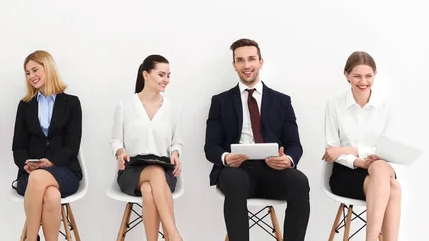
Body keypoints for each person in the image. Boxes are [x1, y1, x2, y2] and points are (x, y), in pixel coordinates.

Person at [204, 38, 310, 241]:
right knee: (235, 182)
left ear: (261, 62)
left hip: (273, 170)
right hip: (237, 170)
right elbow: (211, 146)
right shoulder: (220, 102)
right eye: (240, 60)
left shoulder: (282, 101)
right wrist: (226, 158)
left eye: (251, 59)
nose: (246, 65)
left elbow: (295, 144)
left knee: (300, 182)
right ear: (234, 65)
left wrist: (287, 159)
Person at [322, 51, 400, 241]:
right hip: (345, 172)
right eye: (357, 76)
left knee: (381, 167)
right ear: (346, 75)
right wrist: (359, 160)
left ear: (375, 74)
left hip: (377, 168)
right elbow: (332, 152)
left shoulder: (385, 106)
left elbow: (386, 149)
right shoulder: (334, 105)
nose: (363, 81)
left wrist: (350, 149)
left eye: (368, 76)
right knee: (394, 188)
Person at [110, 55, 184, 241]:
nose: (166, 80)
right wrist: (120, 152)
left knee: (149, 190)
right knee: (154, 173)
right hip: (133, 169)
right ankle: (173, 235)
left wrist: (175, 153)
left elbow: (177, 141)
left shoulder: (173, 108)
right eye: (161, 74)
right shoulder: (125, 105)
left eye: (168, 75)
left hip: (164, 167)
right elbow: (116, 140)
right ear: (146, 75)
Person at [12, 50, 82, 241]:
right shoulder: (25, 105)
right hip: (30, 174)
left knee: (40, 178)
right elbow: (18, 146)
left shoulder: (72, 103)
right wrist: (25, 164)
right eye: (27, 73)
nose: (31, 76)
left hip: (64, 171)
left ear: (48, 68)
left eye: (35, 70)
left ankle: (31, 238)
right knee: (51, 195)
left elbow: (72, 146)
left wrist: (51, 163)